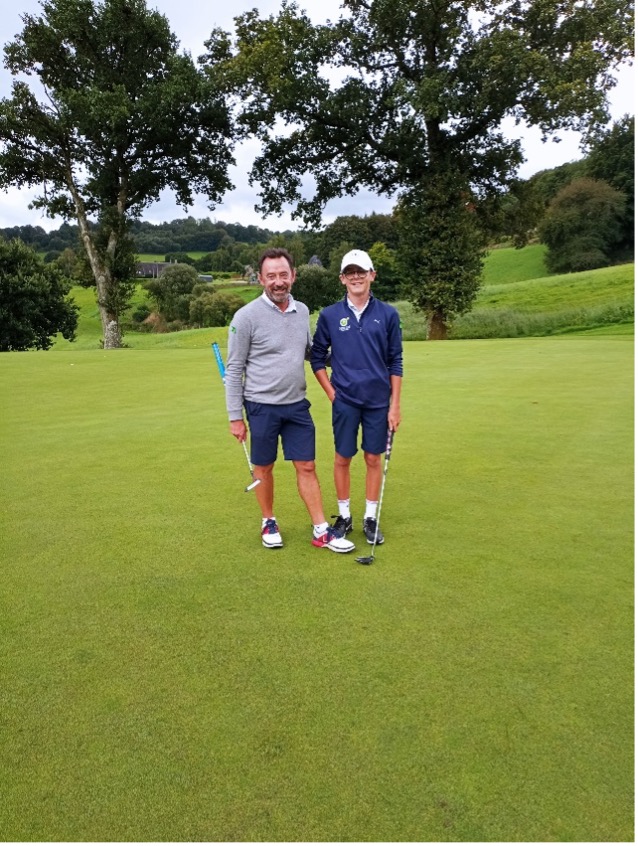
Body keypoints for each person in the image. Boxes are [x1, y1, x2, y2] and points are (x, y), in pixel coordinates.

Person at [224, 247, 355, 554]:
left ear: (293, 276)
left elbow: (310, 351)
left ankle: (321, 529)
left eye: (283, 274)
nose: (278, 281)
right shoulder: (245, 318)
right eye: (271, 276)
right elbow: (234, 369)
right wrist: (234, 416)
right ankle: (268, 520)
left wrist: (346, 360)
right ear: (261, 279)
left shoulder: (302, 311)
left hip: (297, 405)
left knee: (307, 465)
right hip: (260, 406)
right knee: (264, 467)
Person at [310, 249, 403, 545]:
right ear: (342, 279)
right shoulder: (330, 315)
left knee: (373, 457)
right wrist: (331, 393)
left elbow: (395, 361)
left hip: (378, 401)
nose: (356, 277)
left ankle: (370, 517)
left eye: (361, 271)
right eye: (350, 272)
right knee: (342, 457)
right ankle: (345, 515)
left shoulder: (388, 314)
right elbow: (316, 358)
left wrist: (395, 405)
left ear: (372, 275)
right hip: (345, 400)